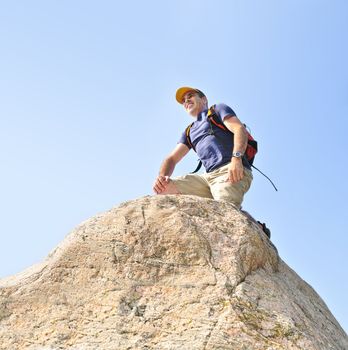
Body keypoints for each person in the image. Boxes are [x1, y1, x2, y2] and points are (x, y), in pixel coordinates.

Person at [153, 86, 253, 209]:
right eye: (183, 100)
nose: (186, 101)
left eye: (190, 96)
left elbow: (239, 129)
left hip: (230, 170)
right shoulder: (189, 131)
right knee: (164, 189)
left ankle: (254, 226)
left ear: (204, 99)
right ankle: (254, 223)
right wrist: (162, 177)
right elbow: (172, 158)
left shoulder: (217, 110)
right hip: (206, 178)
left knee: (224, 209)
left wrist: (237, 159)